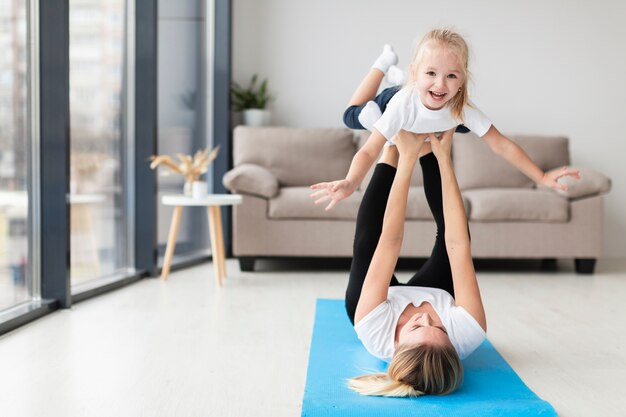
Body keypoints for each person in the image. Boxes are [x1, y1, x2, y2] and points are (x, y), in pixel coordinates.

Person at [310, 29, 580, 211]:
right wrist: (351, 181)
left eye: (451, 76)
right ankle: (383, 66)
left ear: (462, 79)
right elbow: (370, 149)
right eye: (431, 73)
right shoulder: (402, 105)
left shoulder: (460, 108)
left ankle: (397, 80)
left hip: (434, 118)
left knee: (460, 126)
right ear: (416, 73)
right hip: (390, 101)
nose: (441, 84)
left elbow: (501, 144)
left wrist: (542, 176)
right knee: (350, 116)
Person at [345, 128, 485, 397]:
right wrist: (443, 158)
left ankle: (391, 149)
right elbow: (458, 245)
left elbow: (390, 243)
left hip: (379, 302)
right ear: (452, 342)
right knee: (453, 239)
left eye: (418, 327)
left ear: (396, 344)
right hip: (436, 291)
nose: (426, 317)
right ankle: (429, 147)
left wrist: (404, 159)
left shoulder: (373, 330)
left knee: (368, 245)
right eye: (441, 327)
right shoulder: (468, 332)